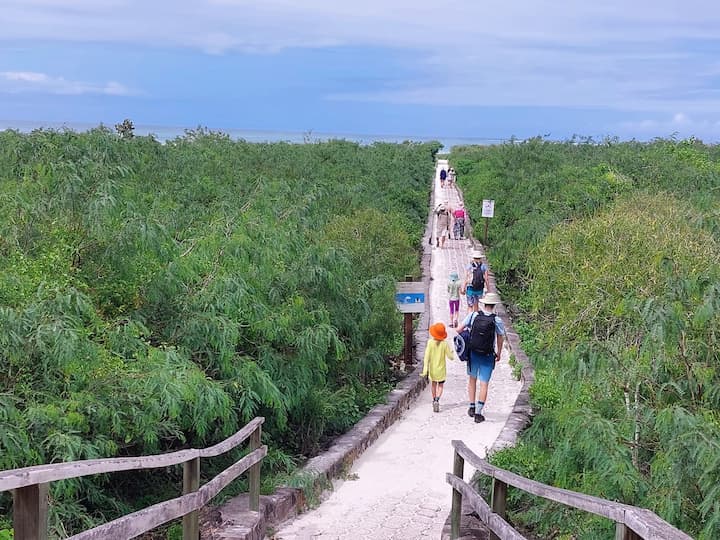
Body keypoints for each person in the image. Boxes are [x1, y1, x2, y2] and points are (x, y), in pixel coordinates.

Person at [457, 292, 505, 423]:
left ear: (484, 304)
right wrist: (499, 352)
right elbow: (500, 338)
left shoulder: (473, 315)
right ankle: (478, 413)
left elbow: (458, 329)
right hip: (488, 355)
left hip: (473, 353)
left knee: (472, 380)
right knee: (484, 383)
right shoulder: (497, 320)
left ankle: (471, 407)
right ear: (494, 305)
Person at [422, 322, 454, 412]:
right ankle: (437, 399)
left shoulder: (430, 343)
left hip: (433, 369)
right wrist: (452, 352)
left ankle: (433, 399)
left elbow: (426, 357)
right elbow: (450, 357)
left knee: (433, 385)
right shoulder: (444, 344)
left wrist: (425, 369)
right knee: (440, 385)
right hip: (441, 370)